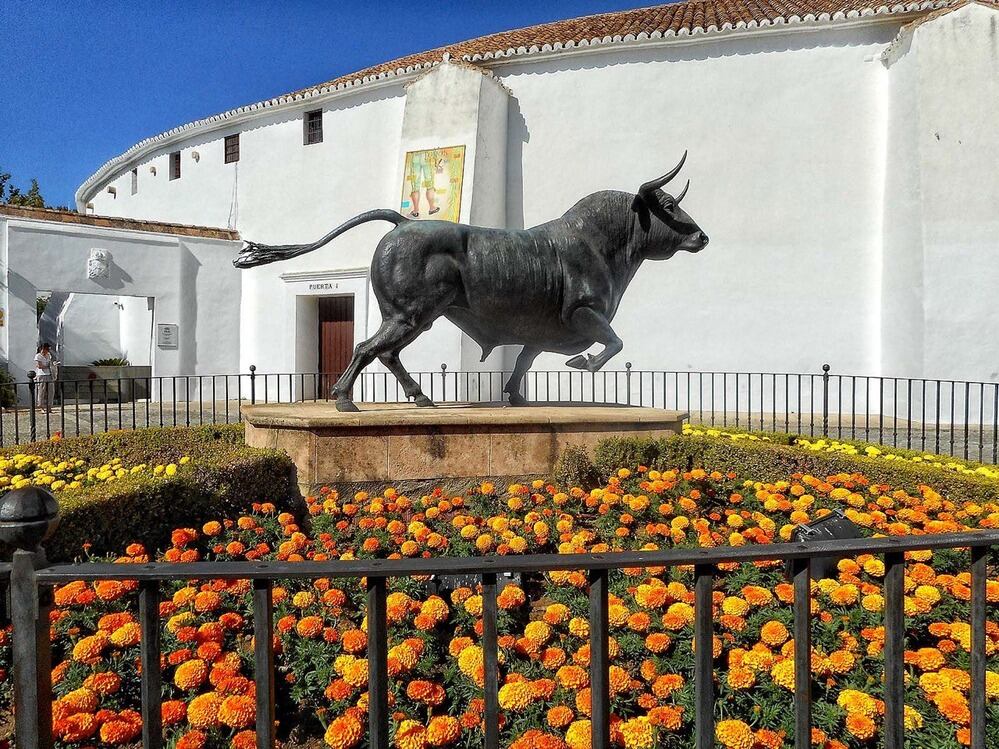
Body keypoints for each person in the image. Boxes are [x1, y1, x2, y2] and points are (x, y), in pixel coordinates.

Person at [34, 342, 54, 412]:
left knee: (50, 391)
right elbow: (39, 366)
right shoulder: (38, 356)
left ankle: (49, 407)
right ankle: (41, 407)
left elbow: (50, 363)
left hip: (49, 374)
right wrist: (47, 366)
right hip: (41, 375)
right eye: (46, 349)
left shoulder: (49, 355)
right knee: (41, 391)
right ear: (43, 349)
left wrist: (52, 365)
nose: (47, 351)